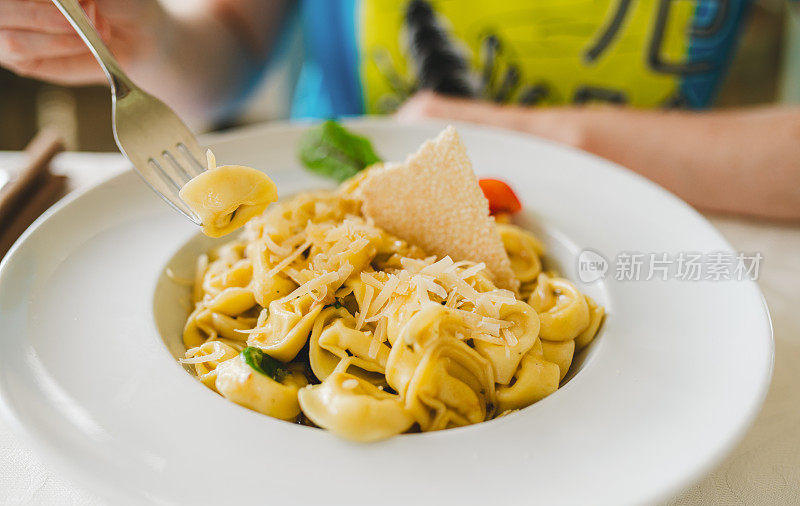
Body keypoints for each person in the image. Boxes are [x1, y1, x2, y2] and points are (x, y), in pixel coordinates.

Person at [1, 0, 798, 221]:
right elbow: (232, 51)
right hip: (321, 185)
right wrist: (147, 41)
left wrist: (556, 138)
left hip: (660, 234)